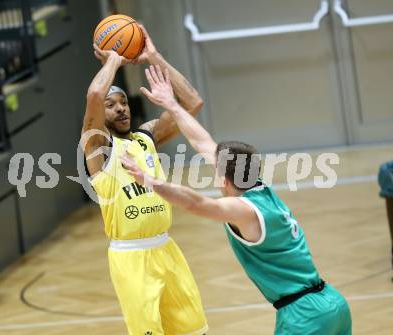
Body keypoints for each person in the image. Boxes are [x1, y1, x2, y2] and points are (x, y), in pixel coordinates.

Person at [122, 65, 353, 335]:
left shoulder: (243, 210)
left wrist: (149, 180)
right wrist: (172, 105)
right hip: (332, 303)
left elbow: (196, 204)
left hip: (303, 316)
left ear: (226, 180)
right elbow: (203, 141)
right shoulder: (260, 189)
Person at [81, 26, 208, 335]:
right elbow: (96, 94)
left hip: (167, 248)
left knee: (195, 331)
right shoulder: (97, 146)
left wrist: (153, 56)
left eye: (123, 102)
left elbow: (192, 103)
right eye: (111, 106)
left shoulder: (145, 138)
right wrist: (114, 59)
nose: (120, 107)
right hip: (131, 258)